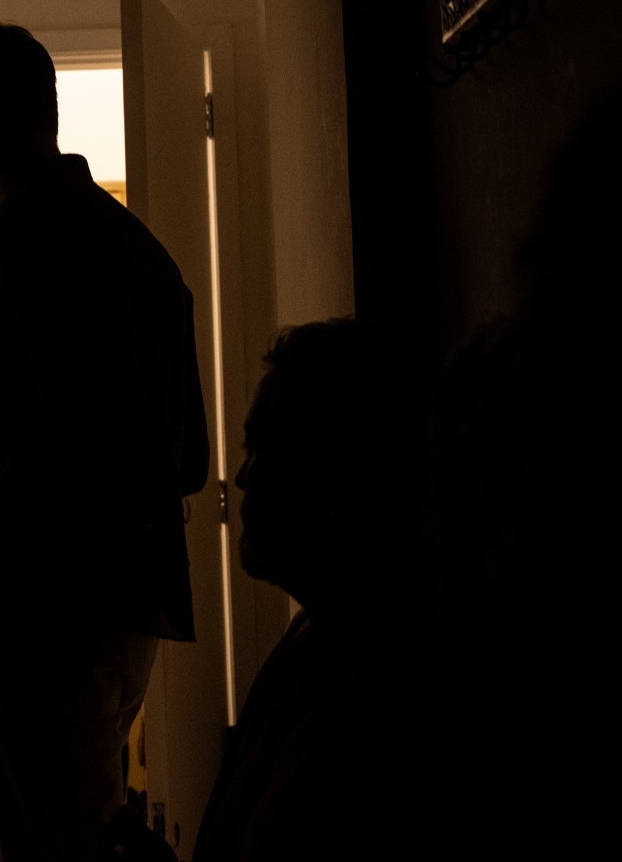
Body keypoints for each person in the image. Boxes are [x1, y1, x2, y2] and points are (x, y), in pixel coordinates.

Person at [0, 15, 209, 862]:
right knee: (77, 828)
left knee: (50, 845)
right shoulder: (138, 248)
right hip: (130, 602)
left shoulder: (30, 237)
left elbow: (83, 446)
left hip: (54, 604)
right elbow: (178, 457)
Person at [191, 318, 431, 860]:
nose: (243, 477)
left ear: (338, 472)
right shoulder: (315, 642)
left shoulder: (384, 708)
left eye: (265, 449)